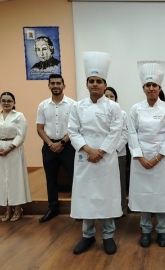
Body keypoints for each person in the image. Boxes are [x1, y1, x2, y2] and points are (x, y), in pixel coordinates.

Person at [68, 51, 123, 255]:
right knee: (85, 196)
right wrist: (89, 150)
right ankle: (87, 236)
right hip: (84, 157)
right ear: (86, 84)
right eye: (91, 81)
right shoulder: (77, 107)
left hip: (106, 158)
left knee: (106, 196)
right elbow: (73, 131)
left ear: (104, 84)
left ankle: (108, 236)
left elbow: (115, 131)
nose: (94, 84)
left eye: (98, 81)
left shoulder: (114, 107)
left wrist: (100, 151)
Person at [128, 60, 165, 248]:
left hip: (161, 159)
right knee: (144, 196)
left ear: (159, 87)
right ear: (143, 88)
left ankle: (162, 230)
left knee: (161, 196)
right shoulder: (135, 109)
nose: (151, 88)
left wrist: (157, 157)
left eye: (154, 85)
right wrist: (140, 157)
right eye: (147, 85)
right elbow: (132, 133)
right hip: (140, 160)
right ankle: (146, 230)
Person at [36, 74, 76, 223]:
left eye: (58, 83)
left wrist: (62, 143)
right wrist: (50, 144)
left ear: (63, 85)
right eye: (52, 83)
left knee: (74, 177)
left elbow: (75, 128)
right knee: (50, 179)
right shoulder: (43, 105)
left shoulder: (72, 104)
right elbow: (40, 128)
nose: (55, 86)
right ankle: (52, 208)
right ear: (49, 85)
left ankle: (77, 209)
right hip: (49, 146)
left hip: (68, 146)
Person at [0, 92, 32, 221]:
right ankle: (7, 209)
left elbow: (21, 135)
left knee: (15, 178)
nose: (6, 103)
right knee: (2, 180)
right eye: (3, 100)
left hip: (14, 150)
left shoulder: (19, 116)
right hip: (0, 150)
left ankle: (18, 208)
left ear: (14, 103)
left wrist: (9, 148)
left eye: (9, 100)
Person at [104, 86, 129, 215]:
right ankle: (106, 210)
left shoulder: (123, 114)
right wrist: (105, 150)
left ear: (116, 98)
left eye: (112, 96)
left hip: (118, 153)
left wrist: (113, 149)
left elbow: (125, 134)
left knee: (120, 182)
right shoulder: (98, 112)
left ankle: (122, 209)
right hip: (101, 154)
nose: (109, 98)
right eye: (106, 96)